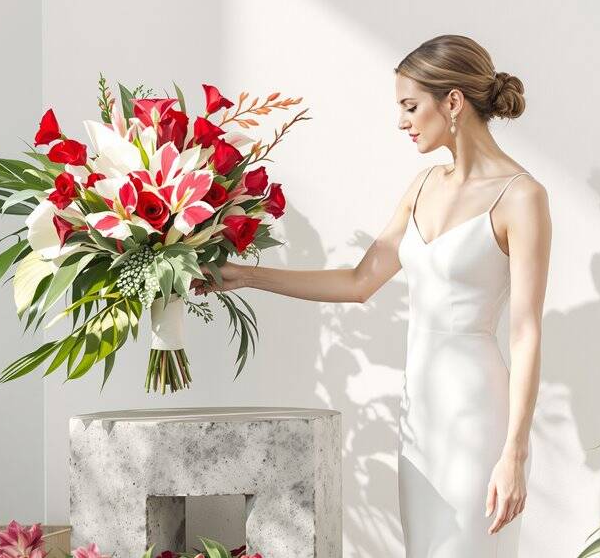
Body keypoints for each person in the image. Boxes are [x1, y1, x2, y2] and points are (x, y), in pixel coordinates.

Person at [190, 34, 550, 557]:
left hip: (479, 416)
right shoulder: (424, 184)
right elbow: (360, 282)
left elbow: (526, 333)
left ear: (452, 102)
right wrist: (248, 275)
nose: (402, 122)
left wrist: (513, 452)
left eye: (410, 106)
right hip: (420, 418)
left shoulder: (522, 196)